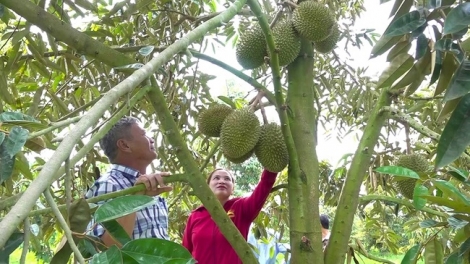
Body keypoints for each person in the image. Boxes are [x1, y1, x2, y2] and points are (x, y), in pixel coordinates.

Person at [85, 116, 173, 247]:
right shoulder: (109, 185)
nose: (152, 140)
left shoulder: (150, 186)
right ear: (125, 145)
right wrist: (134, 200)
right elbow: (105, 249)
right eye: (144, 134)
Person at [182, 168, 278, 263]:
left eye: (227, 179)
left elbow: (265, 184)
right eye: (216, 178)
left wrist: (271, 165)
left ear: (233, 189)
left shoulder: (241, 208)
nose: (222, 181)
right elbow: (185, 254)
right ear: (208, 186)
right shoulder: (196, 215)